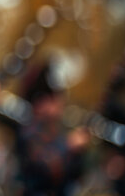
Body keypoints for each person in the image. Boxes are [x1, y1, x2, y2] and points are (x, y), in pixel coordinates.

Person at [15, 61, 89, 196]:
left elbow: (74, 176)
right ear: (41, 101)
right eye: (55, 96)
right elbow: (45, 166)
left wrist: (79, 153)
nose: (61, 101)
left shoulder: (56, 130)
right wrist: (69, 145)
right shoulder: (29, 131)